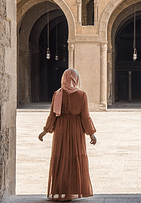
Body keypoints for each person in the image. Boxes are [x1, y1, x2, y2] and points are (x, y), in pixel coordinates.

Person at [38, 69, 97, 202]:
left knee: (61, 158)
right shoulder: (82, 95)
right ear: (76, 79)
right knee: (75, 157)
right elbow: (85, 116)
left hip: (61, 129)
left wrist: (45, 130)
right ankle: (74, 189)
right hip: (76, 130)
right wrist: (91, 133)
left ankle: (61, 190)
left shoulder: (58, 94)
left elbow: (53, 115)